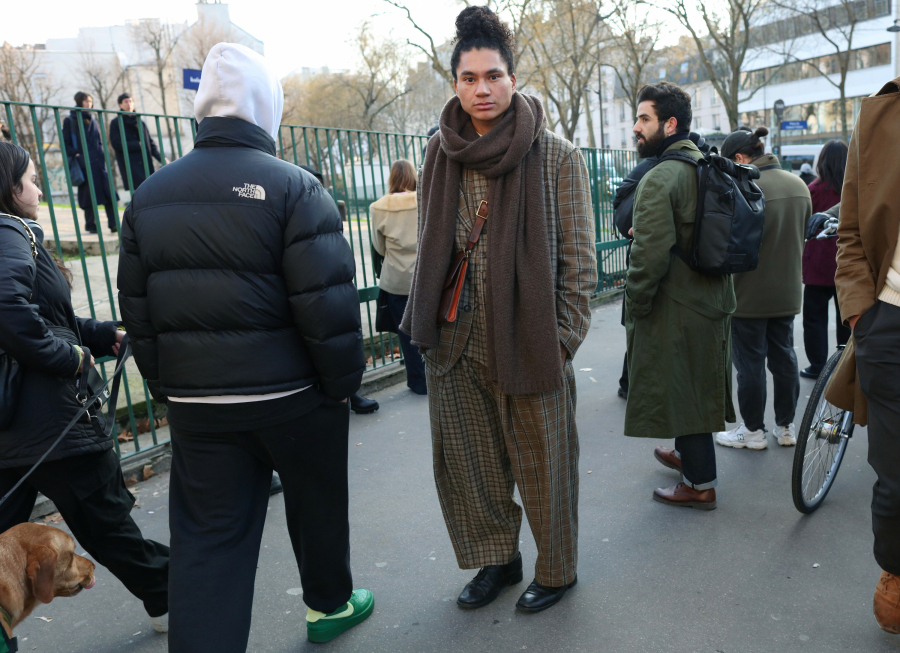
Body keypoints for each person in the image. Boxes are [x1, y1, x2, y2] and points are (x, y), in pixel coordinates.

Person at [117, 43, 373, 650]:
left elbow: (139, 313)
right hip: (293, 396)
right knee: (317, 503)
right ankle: (328, 605)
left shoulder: (149, 196)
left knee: (208, 543)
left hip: (198, 405)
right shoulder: (295, 187)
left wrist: (170, 388)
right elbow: (328, 307)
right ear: (268, 105)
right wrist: (341, 387)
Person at [400, 6, 596, 613]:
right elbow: (432, 241)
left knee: (544, 466)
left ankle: (557, 570)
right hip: (455, 340)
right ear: (454, 82)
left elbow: (579, 264)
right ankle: (497, 559)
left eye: (493, 76)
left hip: (530, 337)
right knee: (471, 465)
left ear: (513, 78)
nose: (481, 89)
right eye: (468, 78)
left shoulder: (556, 155)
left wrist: (562, 338)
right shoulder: (441, 152)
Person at [0, 141, 169, 633]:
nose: (37, 188)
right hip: (50, 425)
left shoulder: (16, 235)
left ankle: (168, 593)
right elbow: (10, 312)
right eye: (31, 180)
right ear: (12, 190)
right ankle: (174, 593)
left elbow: (49, 316)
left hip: (17, 425)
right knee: (110, 529)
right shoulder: (9, 231)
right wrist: (68, 356)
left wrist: (97, 336)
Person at [624, 81, 736, 511]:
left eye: (644, 119)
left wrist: (635, 306)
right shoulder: (707, 163)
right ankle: (689, 457)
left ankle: (699, 483)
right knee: (696, 385)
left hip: (680, 306)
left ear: (669, 124)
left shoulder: (661, 177)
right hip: (712, 300)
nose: (636, 127)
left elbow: (647, 257)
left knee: (685, 391)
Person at [829, 73, 900, 635]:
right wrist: (862, 313)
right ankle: (896, 573)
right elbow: (850, 230)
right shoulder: (879, 114)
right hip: (889, 322)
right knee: (895, 472)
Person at [714, 126, 810, 450]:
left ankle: (752, 430)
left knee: (750, 365)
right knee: (785, 360)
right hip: (788, 292)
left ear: (740, 158)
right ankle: (786, 427)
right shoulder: (799, 186)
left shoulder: (744, 188)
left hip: (747, 294)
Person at [612, 131, 711, 401]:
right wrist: (637, 303)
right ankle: (632, 384)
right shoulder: (666, 171)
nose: (635, 128)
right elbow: (652, 248)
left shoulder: (658, 169)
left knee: (643, 335)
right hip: (681, 280)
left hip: (662, 273)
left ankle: (630, 383)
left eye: (644, 119)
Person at [297, 163, 380, 415]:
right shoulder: (289, 209)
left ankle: (349, 394)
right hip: (305, 286)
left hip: (330, 285)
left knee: (337, 343)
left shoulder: (328, 209)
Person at [371, 159, 426, 395]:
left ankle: (417, 382)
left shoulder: (378, 207)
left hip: (397, 281)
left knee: (407, 334)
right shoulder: (424, 198)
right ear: (414, 176)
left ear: (391, 178)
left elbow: (379, 248)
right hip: (427, 275)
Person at [801, 139, 851, 378]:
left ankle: (818, 365)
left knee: (814, 320)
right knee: (847, 317)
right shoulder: (853, 191)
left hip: (817, 266)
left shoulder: (813, 190)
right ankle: (844, 363)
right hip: (846, 263)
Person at [62, 91, 118, 234]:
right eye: (86, 101)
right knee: (88, 196)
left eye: (90, 101)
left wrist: (102, 154)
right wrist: (77, 154)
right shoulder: (70, 120)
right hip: (84, 164)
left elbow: (99, 141)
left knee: (108, 193)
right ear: (79, 102)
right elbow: (65, 143)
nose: (89, 104)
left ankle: (114, 224)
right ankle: (91, 225)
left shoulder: (95, 120)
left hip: (98, 163)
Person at [108, 93, 165, 192]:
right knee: (139, 191)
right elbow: (116, 143)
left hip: (145, 161)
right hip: (130, 163)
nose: (129, 104)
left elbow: (150, 143)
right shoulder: (116, 122)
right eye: (126, 102)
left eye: (131, 101)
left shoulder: (140, 121)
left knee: (150, 189)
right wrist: (137, 145)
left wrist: (161, 158)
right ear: (120, 105)